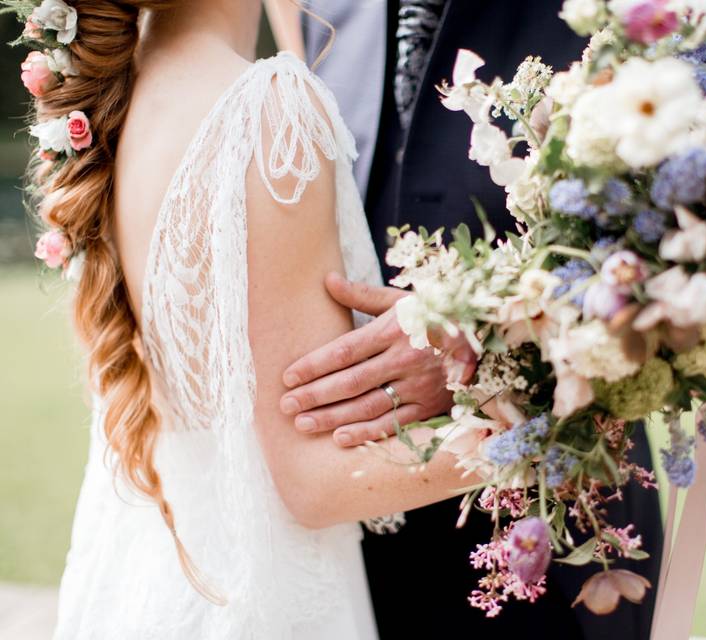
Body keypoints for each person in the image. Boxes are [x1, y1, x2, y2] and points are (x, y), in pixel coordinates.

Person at [26, 1, 472, 637]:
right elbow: (313, 484)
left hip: (138, 582)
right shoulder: (265, 108)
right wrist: (539, 425)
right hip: (259, 602)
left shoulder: (114, 96)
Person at [267, 2, 664, 638]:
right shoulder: (317, 15)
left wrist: (483, 341)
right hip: (349, 551)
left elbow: (689, 234)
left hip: (557, 541)